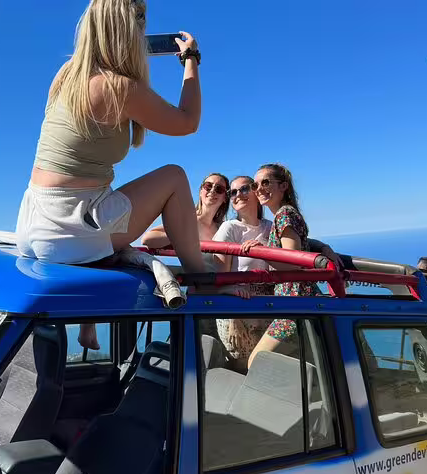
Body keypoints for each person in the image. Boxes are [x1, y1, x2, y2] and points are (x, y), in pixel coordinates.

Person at [14, 0, 206, 350]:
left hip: (32, 225)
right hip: (71, 231)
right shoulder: (117, 87)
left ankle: (89, 321)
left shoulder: (66, 74)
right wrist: (190, 59)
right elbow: (187, 121)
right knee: (174, 177)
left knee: (109, 194)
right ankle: (205, 279)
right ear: (129, 32)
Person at [244, 164, 341, 368]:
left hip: (295, 302)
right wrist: (324, 247)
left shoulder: (284, 215)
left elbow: (293, 261)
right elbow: (303, 244)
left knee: (256, 362)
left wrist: (261, 252)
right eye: (255, 184)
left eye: (266, 182)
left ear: (283, 186)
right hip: (298, 301)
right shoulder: (285, 214)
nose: (259, 188)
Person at [211, 176, 273, 372]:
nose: (238, 195)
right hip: (237, 312)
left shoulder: (269, 227)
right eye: (233, 192)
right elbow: (222, 280)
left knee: (265, 368)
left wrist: (325, 247)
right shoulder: (229, 228)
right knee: (244, 369)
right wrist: (234, 320)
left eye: (244, 189)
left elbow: (297, 246)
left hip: (266, 309)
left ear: (256, 192)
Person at [141, 173, 230, 249]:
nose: (212, 190)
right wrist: (184, 237)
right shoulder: (188, 220)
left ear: (225, 198)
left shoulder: (223, 228)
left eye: (219, 189)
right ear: (200, 192)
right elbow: (147, 239)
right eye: (208, 186)